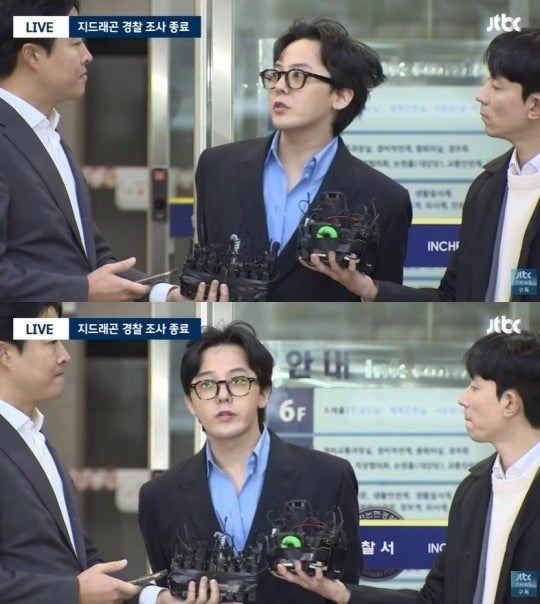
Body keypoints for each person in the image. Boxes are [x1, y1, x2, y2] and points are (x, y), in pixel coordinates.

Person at [273, 330, 540, 603]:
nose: (463, 398)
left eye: (475, 386)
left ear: (509, 403)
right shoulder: (474, 491)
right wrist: (343, 594)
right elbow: (433, 600)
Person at [0, 0, 227, 302]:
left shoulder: (48, 136)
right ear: (33, 54)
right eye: (76, 43)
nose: (87, 55)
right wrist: (82, 289)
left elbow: (93, 258)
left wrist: (168, 294)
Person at [138, 321, 362, 603]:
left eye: (238, 381)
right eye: (206, 384)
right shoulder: (159, 497)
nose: (223, 396)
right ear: (191, 403)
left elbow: (346, 591)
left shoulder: (329, 476)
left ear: (264, 393)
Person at [313, 26, 540, 302]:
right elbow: (451, 299)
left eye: (497, 86)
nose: (482, 95)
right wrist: (369, 288)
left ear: (534, 105)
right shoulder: (487, 188)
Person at [195, 18, 412, 301]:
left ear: (341, 96)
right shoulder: (217, 167)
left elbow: (383, 305)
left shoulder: (384, 199)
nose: (280, 86)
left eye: (297, 76)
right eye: (276, 74)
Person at [0, 302, 142, 604]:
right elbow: (76, 585)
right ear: (4, 353)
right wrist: (73, 592)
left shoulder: (34, 437)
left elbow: (77, 559)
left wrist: (152, 596)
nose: (65, 355)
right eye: (50, 341)